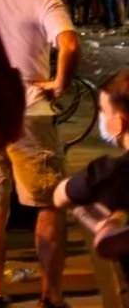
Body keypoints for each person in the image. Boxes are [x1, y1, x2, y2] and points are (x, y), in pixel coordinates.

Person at [0, 0, 80, 308]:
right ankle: (51, 296)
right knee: (49, 203)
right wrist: (58, 83)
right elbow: (69, 44)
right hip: (30, 111)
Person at [54, 68, 129, 280]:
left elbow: (59, 197)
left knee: (86, 206)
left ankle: (109, 224)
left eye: (103, 111)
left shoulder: (108, 172)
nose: (101, 117)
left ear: (119, 123)